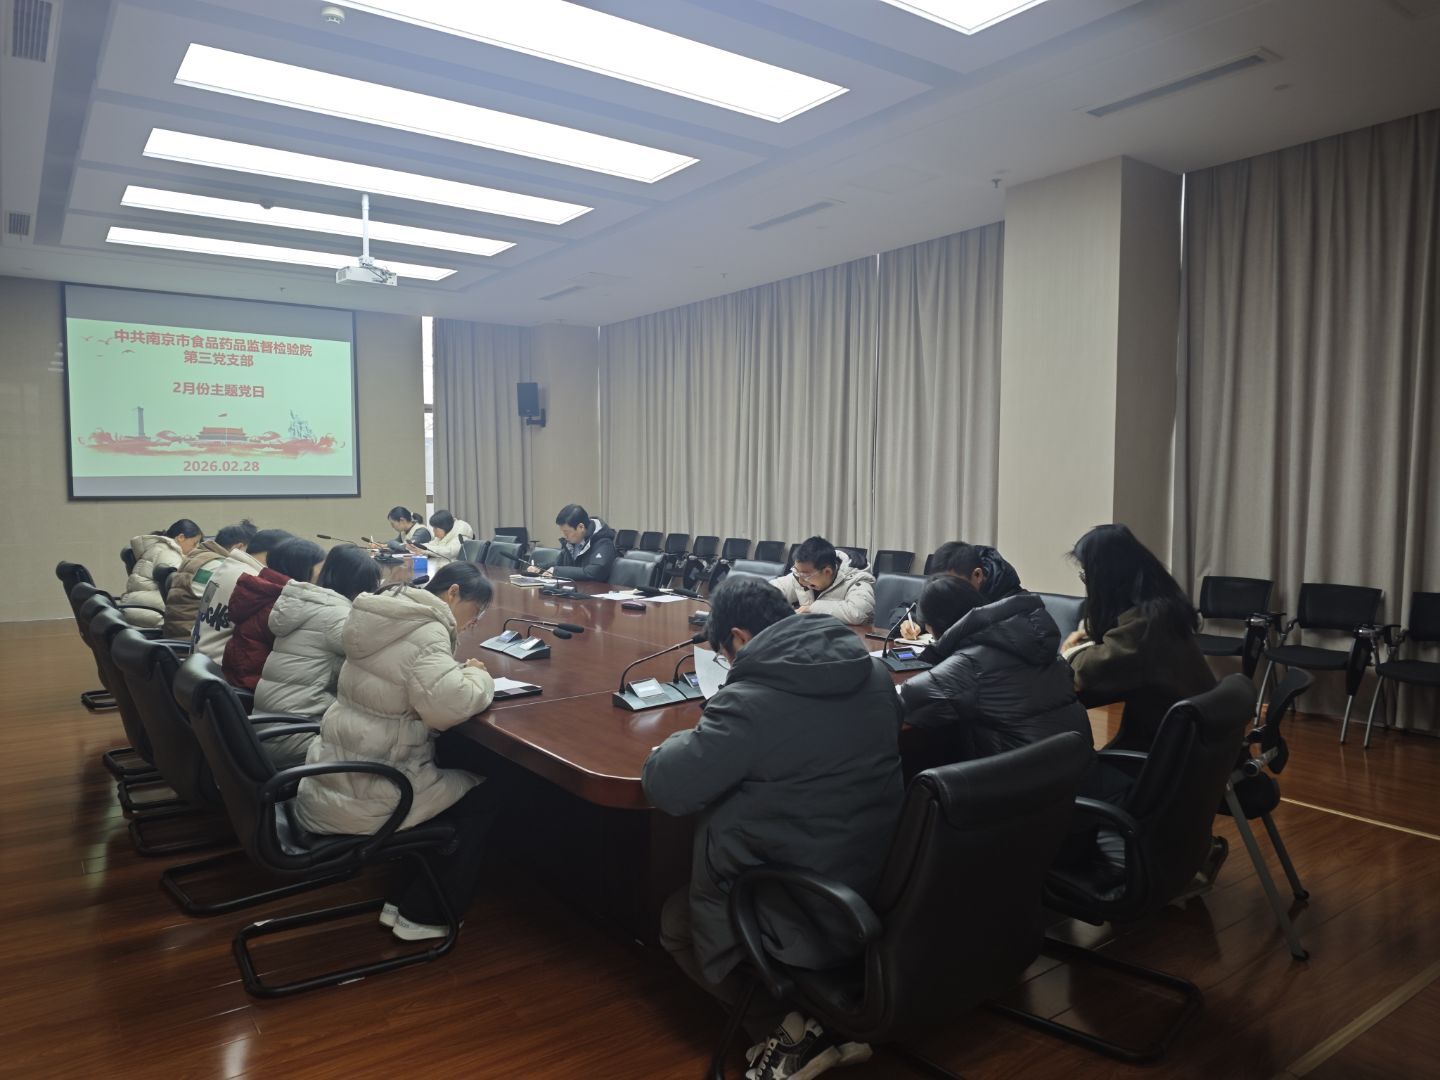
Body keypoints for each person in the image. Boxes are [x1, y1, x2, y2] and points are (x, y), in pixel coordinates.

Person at [644, 577, 903, 1080]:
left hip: (801, 902)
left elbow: (668, 787)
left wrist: (677, 741)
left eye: (723, 655)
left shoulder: (751, 701)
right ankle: (828, 1022)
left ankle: (787, 1034)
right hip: (880, 879)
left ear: (738, 639)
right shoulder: (873, 673)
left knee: (677, 922)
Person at [294, 562, 500, 943]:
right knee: (482, 792)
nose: (473, 624)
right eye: (476, 612)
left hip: (333, 774)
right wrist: (478, 674)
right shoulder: (427, 630)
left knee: (450, 765)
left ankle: (398, 899)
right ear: (453, 593)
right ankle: (424, 914)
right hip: (374, 790)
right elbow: (449, 705)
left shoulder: (382, 614)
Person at [898, 575, 1092, 762]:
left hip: (1024, 777)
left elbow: (909, 699)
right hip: (1080, 766)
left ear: (938, 628)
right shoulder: (1036, 643)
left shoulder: (969, 664)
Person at [1064, 524, 1216, 752]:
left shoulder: (1146, 625)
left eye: (1087, 575)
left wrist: (1068, 651)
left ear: (1107, 576)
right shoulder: (1162, 607)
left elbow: (1085, 671)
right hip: (1193, 739)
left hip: (1176, 751)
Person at [254, 544, 382, 718]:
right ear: (359, 586)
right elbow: (372, 656)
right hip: (302, 722)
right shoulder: (338, 615)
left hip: (271, 714)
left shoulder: (308, 603)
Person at [222, 538, 325, 692]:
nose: (322, 574)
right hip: (255, 687)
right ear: (302, 568)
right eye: (321, 568)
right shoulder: (283, 604)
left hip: (240, 677)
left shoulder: (263, 589)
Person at [193, 529, 293, 662]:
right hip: (223, 664)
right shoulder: (252, 580)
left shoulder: (226, 567)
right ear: (274, 554)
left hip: (201, 656)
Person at [897, 540, 1024, 639]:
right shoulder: (941, 589)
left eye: (954, 583)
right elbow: (907, 608)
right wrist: (911, 623)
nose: (948, 589)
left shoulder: (1010, 603)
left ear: (977, 575)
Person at [163, 520, 257, 638]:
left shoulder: (199, 556)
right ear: (238, 547)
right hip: (191, 637)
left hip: (178, 631)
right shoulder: (219, 567)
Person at [769, 536, 875, 625]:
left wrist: (811, 609)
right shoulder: (800, 575)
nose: (800, 581)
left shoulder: (856, 580)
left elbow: (858, 613)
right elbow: (772, 589)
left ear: (827, 572)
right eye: (797, 571)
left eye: (805, 575)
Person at [117, 519, 203, 629]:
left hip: (138, 604)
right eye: (194, 543)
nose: (196, 548)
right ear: (181, 537)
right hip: (148, 608)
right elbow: (178, 584)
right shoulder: (169, 553)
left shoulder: (161, 548)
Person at [527, 505, 618, 582]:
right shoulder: (574, 541)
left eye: (567, 532)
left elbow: (594, 572)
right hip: (576, 591)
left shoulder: (604, 543)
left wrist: (557, 571)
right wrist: (539, 568)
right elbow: (559, 563)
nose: (564, 536)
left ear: (581, 527)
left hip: (597, 594)